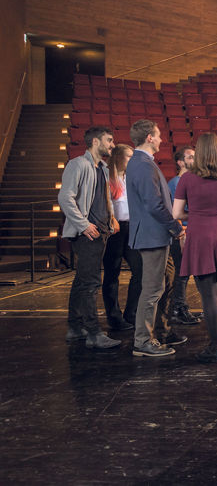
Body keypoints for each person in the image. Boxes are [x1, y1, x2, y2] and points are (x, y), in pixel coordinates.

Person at [173, 133, 217, 363]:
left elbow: (176, 214)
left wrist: (196, 215)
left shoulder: (187, 179)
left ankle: (216, 346)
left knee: (208, 295)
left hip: (200, 236)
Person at [126, 119, 187, 357]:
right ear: (149, 137)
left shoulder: (143, 163)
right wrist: (174, 226)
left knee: (156, 287)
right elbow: (153, 204)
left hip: (154, 234)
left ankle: (151, 335)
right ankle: (142, 341)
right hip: (152, 235)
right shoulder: (142, 164)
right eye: (159, 135)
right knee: (152, 290)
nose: (162, 139)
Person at [58, 127, 121, 349]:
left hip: (101, 231)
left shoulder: (101, 168)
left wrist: (111, 218)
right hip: (88, 234)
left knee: (82, 281)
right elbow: (65, 197)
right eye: (109, 140)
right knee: (91, 283)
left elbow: (103, 198)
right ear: (95, 141)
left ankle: (75, 327)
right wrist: (84, 225)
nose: (112, 145)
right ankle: (94, 333)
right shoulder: (78, 164)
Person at [101, 143, 139, 331]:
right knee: (112, 273)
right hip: (114, 230)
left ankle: (131, 313)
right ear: (118, 157)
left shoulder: (130, 177)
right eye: (128, 156)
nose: (131, 160)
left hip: (131, 228)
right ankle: (114, 317)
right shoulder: (108, 177)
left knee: (139, 270)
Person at [167, 146, 201, 325]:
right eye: (190, 157)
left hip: (194, 231)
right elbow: (174, 212)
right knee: (182, 272)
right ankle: (177, 309)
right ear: (180, 162)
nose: (195, 159)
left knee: (187, 272)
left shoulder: (192, 181)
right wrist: (181, 233)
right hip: (182, 234)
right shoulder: (175, 183)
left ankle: (180, 307)